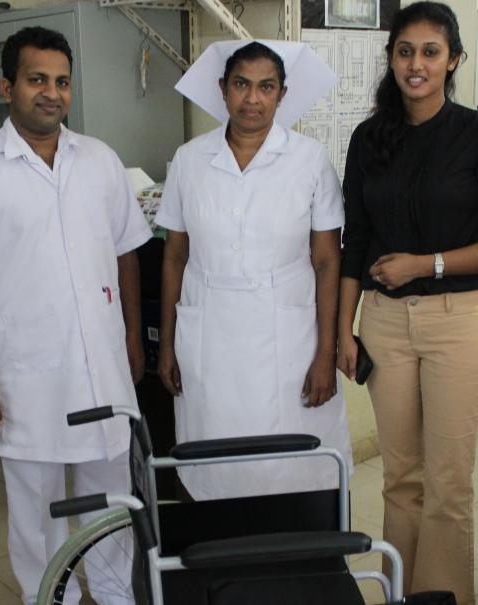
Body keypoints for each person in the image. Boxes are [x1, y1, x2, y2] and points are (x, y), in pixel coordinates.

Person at [0, 26, 149, 605]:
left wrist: (132, 336)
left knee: (113, 504)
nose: (51, 93)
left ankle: (113, 596)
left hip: (103, 372)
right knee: (37, 512)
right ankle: (49, 597)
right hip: (26, 378)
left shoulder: (100, 161)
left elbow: (127, 251)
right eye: (37, 80)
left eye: (62, 82)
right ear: (6, 86)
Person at [336, 3, 478, 603]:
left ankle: (443, 598)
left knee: (448, 483)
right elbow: (355, 243)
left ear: (452, 61)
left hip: (460, 322)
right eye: (404, 51)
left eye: (429, 52)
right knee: (401, 480)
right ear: (392, 57)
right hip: (387, 325)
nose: (415, 64)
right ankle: (402, 594)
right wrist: (342, 331)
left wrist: (426, 265)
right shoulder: (369, 138)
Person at [156, 41, 352, 501]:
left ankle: (293, 554)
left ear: (282, 94)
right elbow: (175, 258)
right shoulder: (189, 159)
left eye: (266, 87)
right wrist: (166, 345)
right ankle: (222, 556)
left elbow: (327, 261)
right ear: (223, 90)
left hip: (287, 339)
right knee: (214, 459)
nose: (253, 99)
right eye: (242, 85)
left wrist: (326, 353)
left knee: (290, 465)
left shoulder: (309, 159)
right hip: (210, 338)